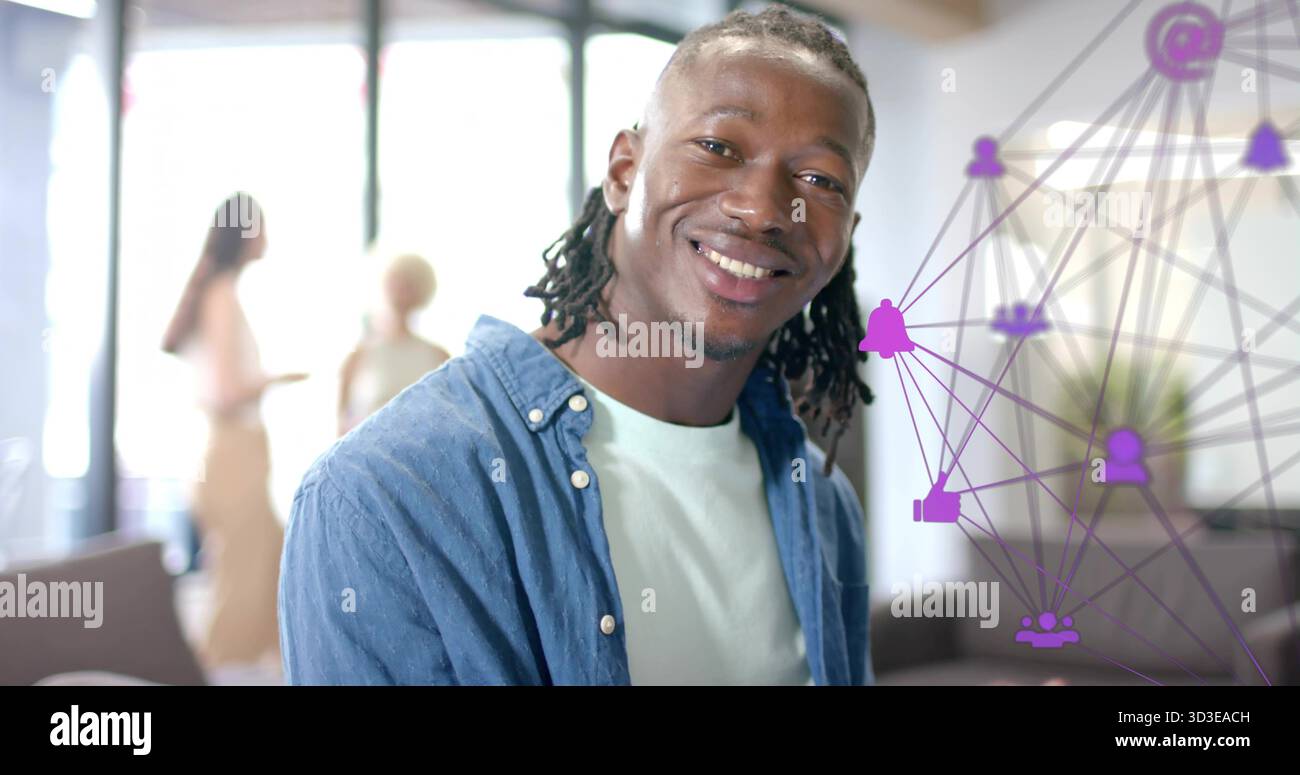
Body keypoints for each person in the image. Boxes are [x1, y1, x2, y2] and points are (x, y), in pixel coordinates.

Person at [280, 5, 876, 685]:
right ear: (624, 171)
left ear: (846, 231)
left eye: (819, 181)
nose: (764, 208)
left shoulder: (823, 508)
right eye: (719, 147)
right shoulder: (386, 495)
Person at [163, 192, 305, 669]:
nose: (266, 236)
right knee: (245, 576)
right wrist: (278, 379)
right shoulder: (221, 295)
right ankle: (211, 670)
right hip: (231, 450)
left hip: (228, 449)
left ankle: (277, 663)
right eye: (260, 227)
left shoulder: (217, 292)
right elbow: (225, 391)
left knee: (266, 564)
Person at [337, 252, 450, 436]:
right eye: (398, 282)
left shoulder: (439, 357)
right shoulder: (359, 356)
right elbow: (341, 428)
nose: (402, 291)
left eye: (410, 284)